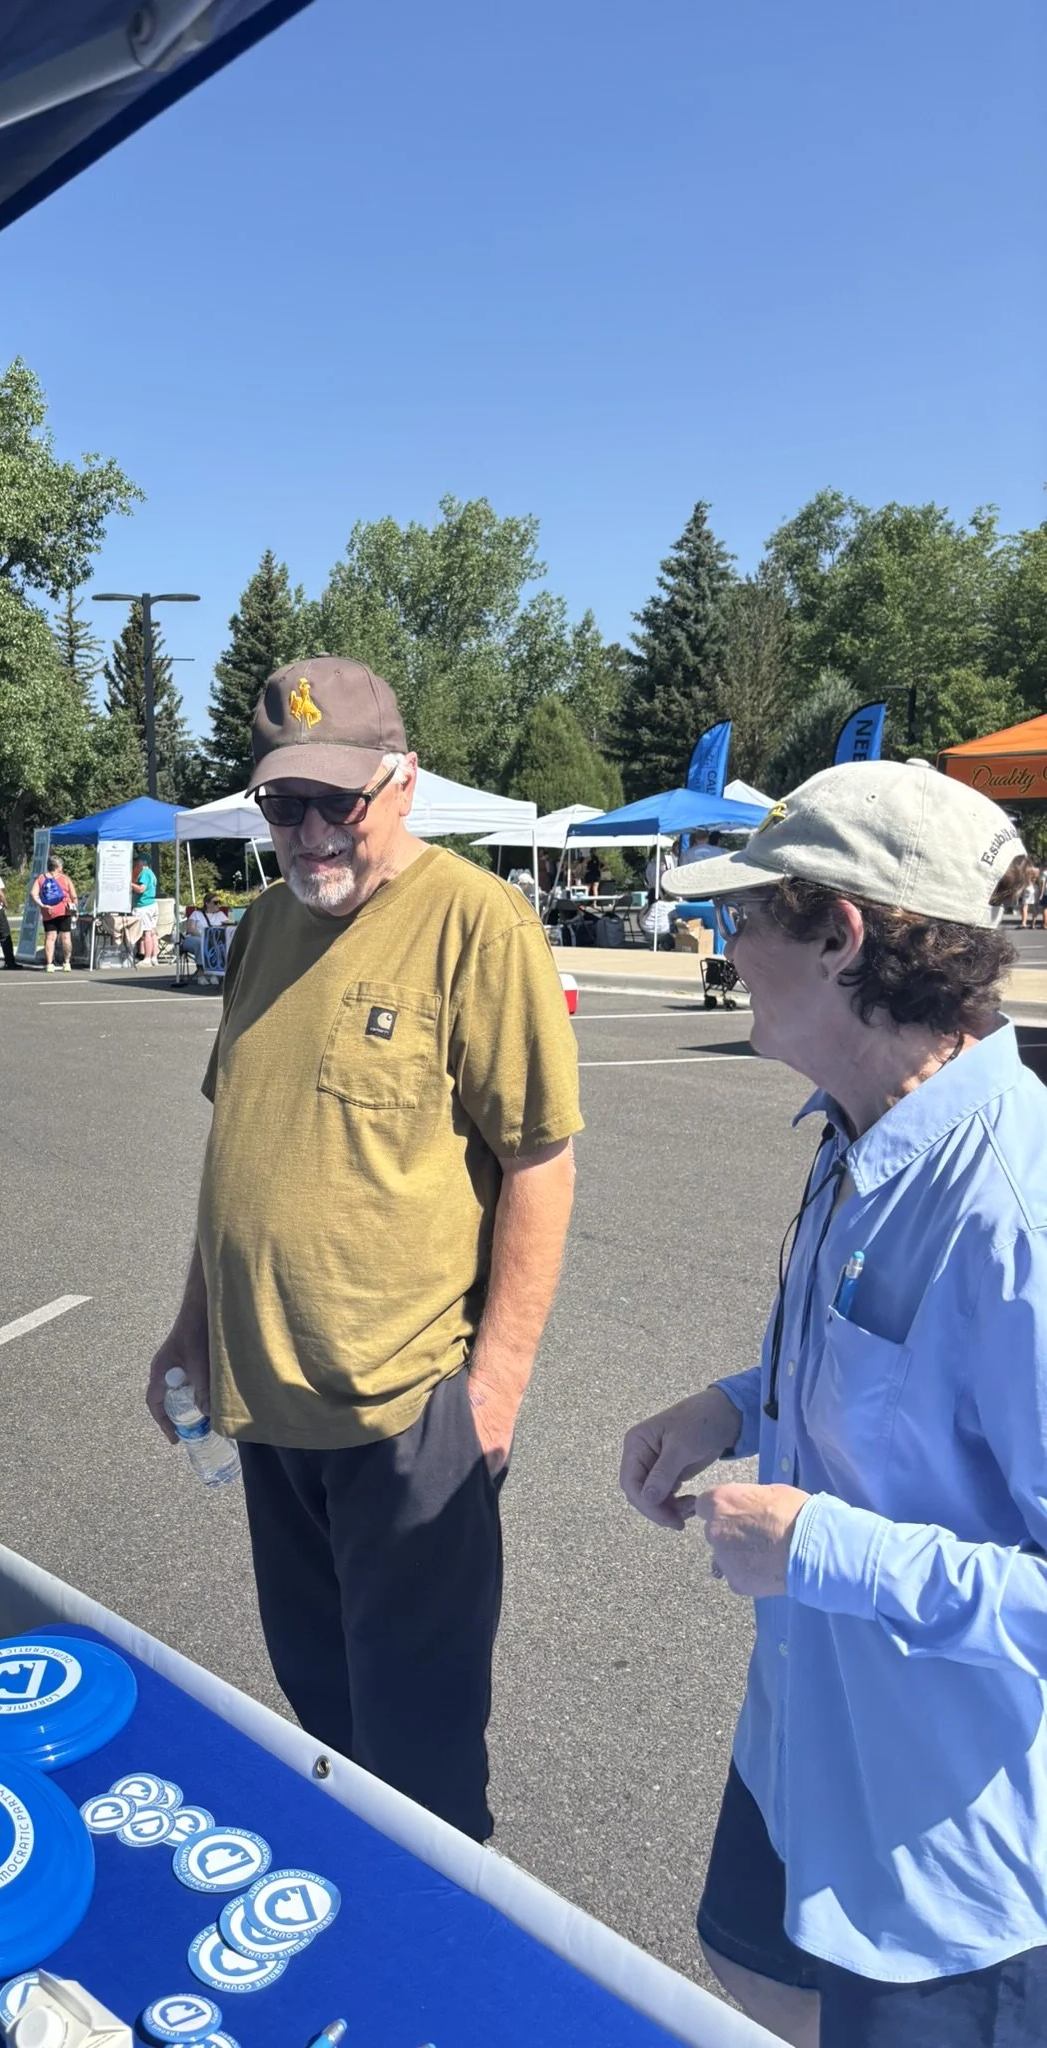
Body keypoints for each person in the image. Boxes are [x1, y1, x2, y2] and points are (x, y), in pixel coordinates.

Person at [619, 760, 1047, 2048]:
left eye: (748, 914)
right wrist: (732, 1405)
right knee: (745, 1963)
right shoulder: (858, 1123)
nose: (724, 942)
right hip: (807, 1743)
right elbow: (897, 1378)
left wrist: (823, 1549)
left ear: (841, 934)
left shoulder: (1014, 1209)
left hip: (943, 1852)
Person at [146, 655, 581, 1840]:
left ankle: (449, 2005)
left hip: (407, 1416)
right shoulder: (260, 928)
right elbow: (238, 1150)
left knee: (424, 1772)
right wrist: (192, 1321)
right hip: (267, 1406)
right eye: (284, 804)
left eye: (339, 799)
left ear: (405, 782)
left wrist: (493, 1392)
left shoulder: (474, 921)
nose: (310, 830)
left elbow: (540, 1160)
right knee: (327, 1733)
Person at [30, 854, 77, 971]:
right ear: (58, 867)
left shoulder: (41, 878)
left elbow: (33, 894)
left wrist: (42, 905)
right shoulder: (65, 878)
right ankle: (66, 963)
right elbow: (74, 896)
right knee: (66, 937)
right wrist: (75, 908)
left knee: (50, 938)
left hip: (48, 912)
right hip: (64, 911)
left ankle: (50, 964)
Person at [132, 853, 159, 962]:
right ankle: (154, 957)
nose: (136, 863)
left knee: (146, 932)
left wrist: (130, 884)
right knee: (153, 932)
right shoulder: (152, 874)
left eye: (138, 861)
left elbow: (141, 889)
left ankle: (147, 958)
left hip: (144, 906)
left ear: (143, 863)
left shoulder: (144, 873)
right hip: (152, 904)